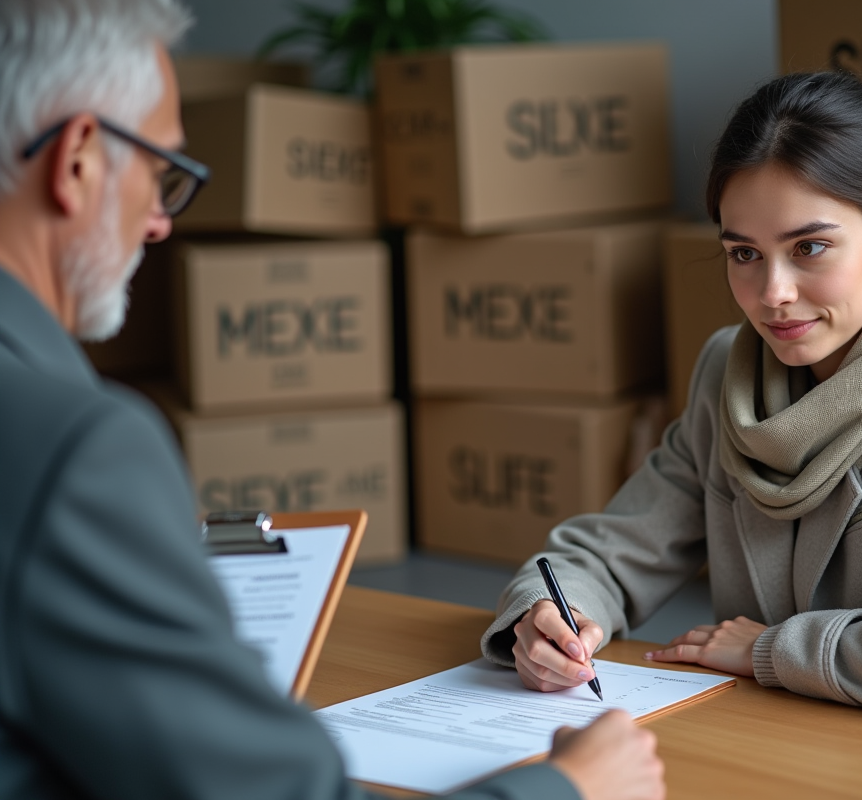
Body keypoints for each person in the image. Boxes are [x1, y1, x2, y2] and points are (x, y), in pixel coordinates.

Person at [0, 2, 664, 799]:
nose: (158, 223)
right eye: (159, 172)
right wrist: (571, 788)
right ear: (76, 161)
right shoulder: (82, 450)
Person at [482, 71, 862, 723]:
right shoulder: (729, 373)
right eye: (745, 253)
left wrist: (769, 651)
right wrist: (549, 614)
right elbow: (608, 553)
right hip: (817, 739)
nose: (773, 291)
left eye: (809, 247)